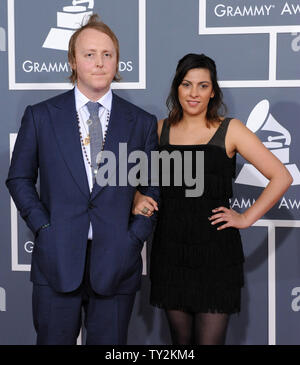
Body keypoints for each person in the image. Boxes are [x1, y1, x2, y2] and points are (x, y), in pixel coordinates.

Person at [6, 14, 159, 345]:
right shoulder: (41, 115)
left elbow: (153, 187)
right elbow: (18, 178)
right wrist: (45, 229)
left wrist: (134, 239)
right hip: (56, 259)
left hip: (118, 262)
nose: (100, 63)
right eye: (89, 54)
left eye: (108, 54)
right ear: (73, 61)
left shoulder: (141, 123)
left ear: (117, 61)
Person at [132, 53, 293, 345]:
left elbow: (281, 176)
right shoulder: (159, 130)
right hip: (170, 253)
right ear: (176, 88)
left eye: (203, 86)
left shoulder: (230, 130)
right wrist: (137, 197)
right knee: (180, 344)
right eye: (186, 84)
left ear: (213, 91)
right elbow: (138, 181)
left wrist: (245, 217)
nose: (194, 93)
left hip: (216, 255)